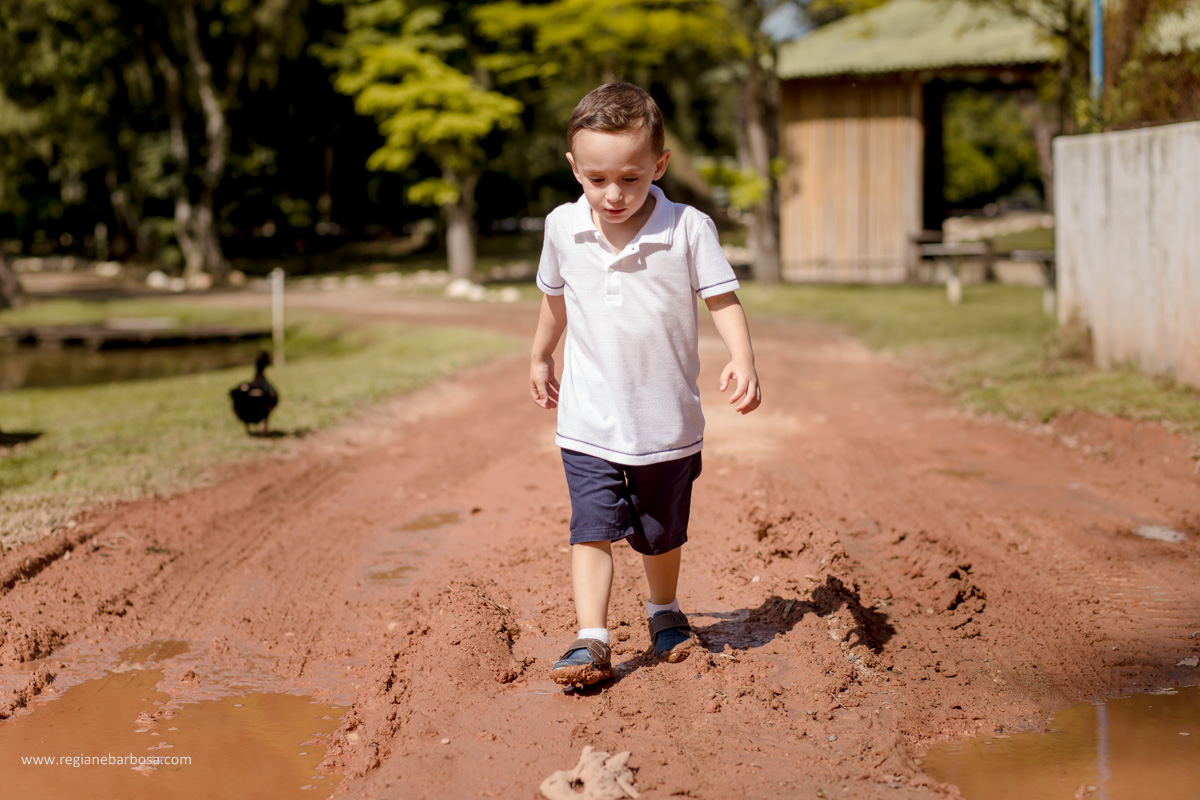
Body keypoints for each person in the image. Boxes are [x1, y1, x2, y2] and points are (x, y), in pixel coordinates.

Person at [529, 82, 761, 686]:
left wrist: (742, 358)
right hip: (589, 418)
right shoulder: (562, 226)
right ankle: (591, 637)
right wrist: (540, 356)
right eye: (597, 179)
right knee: (591, 527)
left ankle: (665, 612)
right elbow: (555, 300)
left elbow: (721, 299)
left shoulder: (688, 228)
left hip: (665, 421)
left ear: (659, 165)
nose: (613, 194)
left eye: (630, 179)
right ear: (574, 167)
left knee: (660, 532)